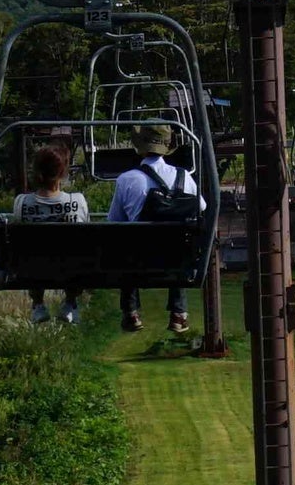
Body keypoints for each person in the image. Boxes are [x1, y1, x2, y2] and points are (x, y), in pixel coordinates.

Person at [108, 125, 204, 334]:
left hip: (138, 262)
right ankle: (179, 312)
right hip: (176, 262)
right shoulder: (184, 177)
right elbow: (202, 208)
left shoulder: (127, 179)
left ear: (140, 147)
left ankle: (131, 311)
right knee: (179, 242)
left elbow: (113, 222)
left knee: (124, 241)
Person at [12, 145, 89, 324]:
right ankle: (70, 302)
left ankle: (38, 303)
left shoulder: (21, 203)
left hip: (33, 271)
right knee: (76, 252)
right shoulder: (77, 201)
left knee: (32, 254)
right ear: (63, 173)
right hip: (70, 269)